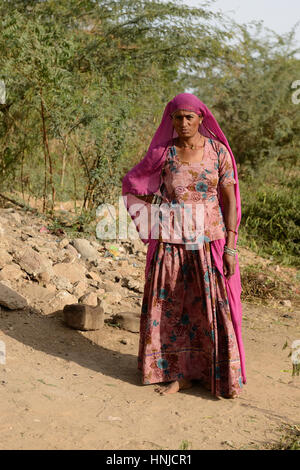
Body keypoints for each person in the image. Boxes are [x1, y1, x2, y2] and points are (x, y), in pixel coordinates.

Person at [122, 93, 246, 398]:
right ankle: (177, 374)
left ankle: (212, 371)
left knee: (212, 307)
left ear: (201, 119)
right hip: (171, 243)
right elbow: (133, 183)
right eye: (177, 117)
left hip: (208, 242)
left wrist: (230, 245)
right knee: (171, 308)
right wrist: (153, 218)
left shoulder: (218, 152)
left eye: (189, 117)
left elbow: (229, 199)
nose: (183, 123)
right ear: (171, 121)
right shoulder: (164, 153)